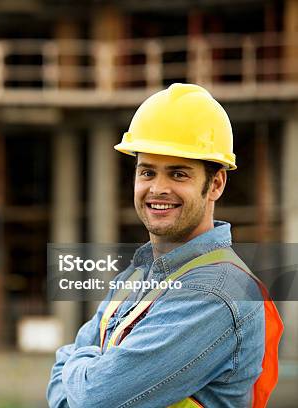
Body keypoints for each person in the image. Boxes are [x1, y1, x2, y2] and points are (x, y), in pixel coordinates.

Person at [47, 83, 283, 408]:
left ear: (215, 184)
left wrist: (79, 364)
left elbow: (92, 400)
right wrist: (86, 373)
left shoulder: (216, 292)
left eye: (178, 174)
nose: (158, 189)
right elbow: (60, 392)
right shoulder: (137, 274)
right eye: (147, 172)